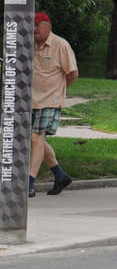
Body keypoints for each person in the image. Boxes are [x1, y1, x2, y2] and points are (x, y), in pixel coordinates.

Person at [32, 12, 78, 196]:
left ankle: (28, 182)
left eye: (38, 25)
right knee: (35, 140)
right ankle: (60, 176)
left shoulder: (61, 45)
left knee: (36, 138)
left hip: (50, 100)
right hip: (30, 100)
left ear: (48, 27)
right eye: (33, 25)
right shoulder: (28, 44)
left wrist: (60, 89)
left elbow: (73, 73)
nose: (34, 29)